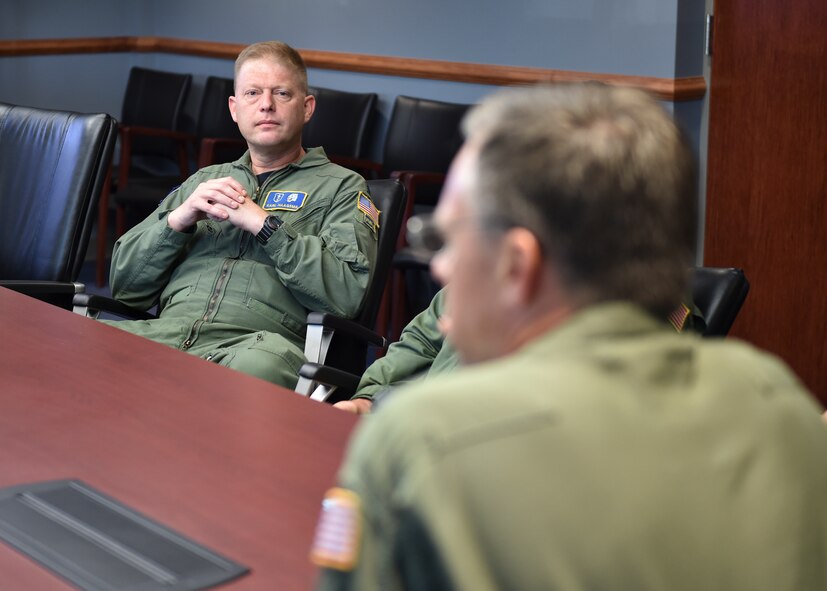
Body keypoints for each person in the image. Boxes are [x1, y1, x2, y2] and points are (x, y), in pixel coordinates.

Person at [312, 83, 827, 590]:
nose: (440, 266)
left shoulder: (418, 441)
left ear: (517, 265)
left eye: (445, 238)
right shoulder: (785, 407)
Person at [104, 41, 378, 389]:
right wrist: (178, 220)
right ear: (234, 109)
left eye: (282, 93)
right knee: (84, 345)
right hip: (167, 333)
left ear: (307, 108)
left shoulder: (342, 187)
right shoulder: (205, 180)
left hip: (254, 347)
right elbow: (126, 289)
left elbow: (345, 294)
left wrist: (265, 225)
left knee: (244, 378)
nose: (266, 105)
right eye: (252, 93)